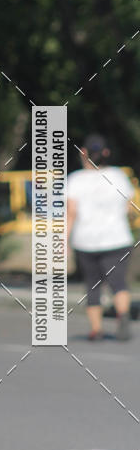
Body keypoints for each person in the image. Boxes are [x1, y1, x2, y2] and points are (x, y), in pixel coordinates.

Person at [67, 134, 135, 341]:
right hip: (117, 238)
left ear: (84, 153)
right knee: (118, 283)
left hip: (86, 241)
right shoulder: (118, 176)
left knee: (92, 284)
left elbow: (71, 213)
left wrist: (63, 240)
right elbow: (129, 208)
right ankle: (123, 316)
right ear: (106, 153)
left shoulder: (76, 180)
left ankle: (96, 329)